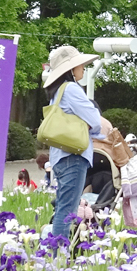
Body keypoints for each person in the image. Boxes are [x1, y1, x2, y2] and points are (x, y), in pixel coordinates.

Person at [41, 45, 104, 243]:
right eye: (80, 65)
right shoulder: (72, 89)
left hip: (60, 156)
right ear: (70, 69)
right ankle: (58, 253)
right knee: (67, 210)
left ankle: (56, 251)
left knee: (63, 205)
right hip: (73, 156)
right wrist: (93, 129)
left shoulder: (57, 91)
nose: (83, 68)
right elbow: (95, 118)